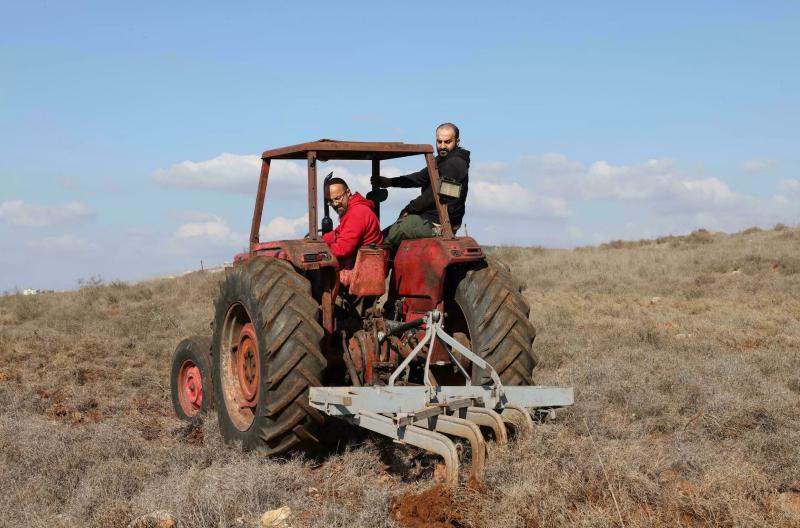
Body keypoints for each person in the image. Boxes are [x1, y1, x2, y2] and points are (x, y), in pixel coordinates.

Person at [371, 122, 470, 246]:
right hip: (429, 217)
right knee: (390, 234)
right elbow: (420, 177)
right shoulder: (442, 160)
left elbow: (433, 195)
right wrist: (390, 182)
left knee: (385, 238)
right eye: (439, 142)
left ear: (457, 141)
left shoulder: (455, 163)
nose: (442, 146)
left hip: (438, 222)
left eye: (447, 142)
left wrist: (410, 209)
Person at [321, 177, 383, 269]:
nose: (335, 204)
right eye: (330, 201)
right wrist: (319, 241)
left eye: (337, 198)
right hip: (359, 263)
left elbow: (343, 248)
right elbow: (338, 233)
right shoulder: (352, 211)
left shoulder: (357, 212)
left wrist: (319, 251)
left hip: (364, 268)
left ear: (348, 192)